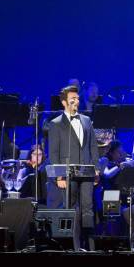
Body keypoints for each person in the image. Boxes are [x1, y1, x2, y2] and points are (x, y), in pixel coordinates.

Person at [48, 85, 100, 250]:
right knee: (71, 208)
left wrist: (96, 169)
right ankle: (73, 246)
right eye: (73, 98)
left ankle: (90, 246)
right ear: (64, 102)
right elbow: (53, 152)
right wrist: (59, 176)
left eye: (77, 98)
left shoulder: (86, 120)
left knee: (87, 208)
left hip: (86, 172)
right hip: (67, 173)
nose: (76, 101)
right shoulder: (56, 123)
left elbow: (93, 146)